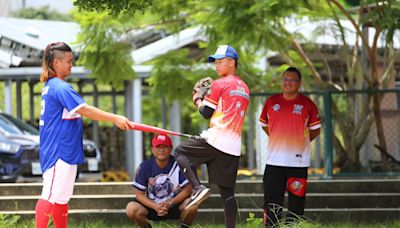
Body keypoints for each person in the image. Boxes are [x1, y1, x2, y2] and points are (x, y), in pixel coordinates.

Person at [35, 42, 131, 228]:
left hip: (66, 150)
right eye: (68, 61)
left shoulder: (54, 86)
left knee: (62, 198)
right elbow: (85, 110)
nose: (72, 65)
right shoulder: (60, 87)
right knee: (49, 195)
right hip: (58, 151)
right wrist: (115, 118)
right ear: (56, 62)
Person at [174, 45, 250, 228]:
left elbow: (206, 112)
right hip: (233, 145)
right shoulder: (245, 88)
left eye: (220, 61)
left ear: (232, 62)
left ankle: (198, 188)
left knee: (179, 152)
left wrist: (197, 99)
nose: (216, 65)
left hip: (215, 139)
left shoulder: (220, 83)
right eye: (215, 61)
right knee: (228, 193)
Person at [259, 67, 321, 226]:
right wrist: (279, 138)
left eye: (292, 80)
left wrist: (299, 142)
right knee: (272, 202)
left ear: (299, 83)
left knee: (297, 204)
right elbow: (265, 125)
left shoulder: (308, 104)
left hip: (298, 164)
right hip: (274, 163)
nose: (288, 83)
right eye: (285, 79)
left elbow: (315, 130)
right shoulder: (271, 102)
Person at [126, 134, 198, 228]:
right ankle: (147, 226)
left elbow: (187, 189)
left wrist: (170, 203)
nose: (161, 149)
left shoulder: (179, 164)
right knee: (131, 208)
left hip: (174, 204)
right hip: (152, 206)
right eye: (158, 146)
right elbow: (139, 194)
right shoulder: (144, 167)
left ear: (171, 148)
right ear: (152, 149)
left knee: (192, 205)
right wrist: (155, 206)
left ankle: (184, 227)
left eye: (165, 146)